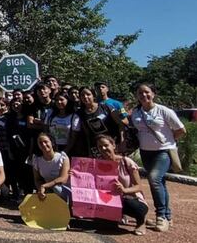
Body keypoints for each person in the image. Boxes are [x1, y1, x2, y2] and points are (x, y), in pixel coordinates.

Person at [129, 83, 185, 232]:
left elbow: (181, 129)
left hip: (163, 152)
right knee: (160, 182)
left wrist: (169, 140)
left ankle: (161, 216)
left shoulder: (164, 111)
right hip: (145, 152)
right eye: (140, 93)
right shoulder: (136, 112)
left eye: (147, 92)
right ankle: (168, 216)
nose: (143, 95)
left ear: (153, 94)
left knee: (154, 179)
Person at [94, 135, 149, 236]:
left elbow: (138, 187)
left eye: (106, 145)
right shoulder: (97, 163)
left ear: (113, 145)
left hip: (130, 199)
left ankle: (141, 222)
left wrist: (124, 190)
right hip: (109, 200)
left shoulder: (126, 162)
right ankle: (118, 217)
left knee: (130, 204)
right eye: (100, 147)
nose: (103, 149)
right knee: (104, 226)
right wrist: (76, 175)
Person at [77, 86, 123, 158]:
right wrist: (89, 151)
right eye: (82, 95)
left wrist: (122, 141)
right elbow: (87, 134)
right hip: (96, 148)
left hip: (112, 145)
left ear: (93, 95)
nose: (85, 97)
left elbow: (120, 124)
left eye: (88, 94)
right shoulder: (80, 113)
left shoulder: (106, 107)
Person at [32, 133, 71, 203]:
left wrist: (45, 186)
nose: (43, 144)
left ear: (52, 143)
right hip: (48, 188)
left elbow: (63, 179)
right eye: (40, 143)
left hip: (64, 189)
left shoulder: (62, 157)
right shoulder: (37, 160)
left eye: (45, 142)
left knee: (57, 189)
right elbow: (37, 179)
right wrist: (41, 189)